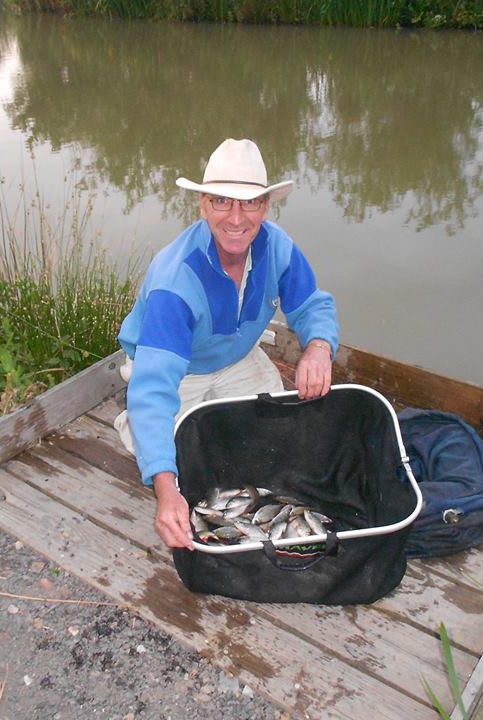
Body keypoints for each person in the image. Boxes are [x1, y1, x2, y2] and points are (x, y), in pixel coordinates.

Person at [114, 138, 339, 550]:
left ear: (266, 207)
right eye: (221, 201)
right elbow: (153, 388)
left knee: (273, 438)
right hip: (173, 370)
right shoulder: (175, 281)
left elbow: (312, 305)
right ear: (202, 204)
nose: (236, 218)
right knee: (175, 459)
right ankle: (133, 427)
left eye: (250, 203)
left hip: (238, 359)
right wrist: (166, 491)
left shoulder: (278, 247)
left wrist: (319, 347)